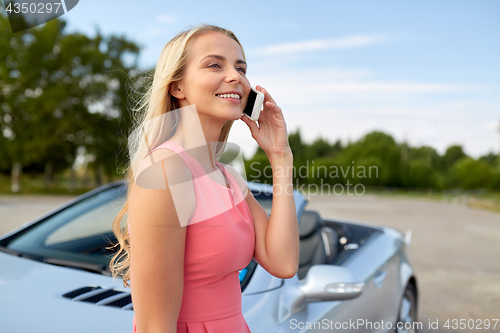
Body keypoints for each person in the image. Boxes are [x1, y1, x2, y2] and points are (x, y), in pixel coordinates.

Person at [109, 23, 300, 333]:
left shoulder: (227, 177)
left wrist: (280, 157)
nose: (236, 76)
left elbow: (283, 263)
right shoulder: (166, 172)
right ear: (177, 87)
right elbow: (154, 328)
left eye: (241, 67)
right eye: (215, 64)